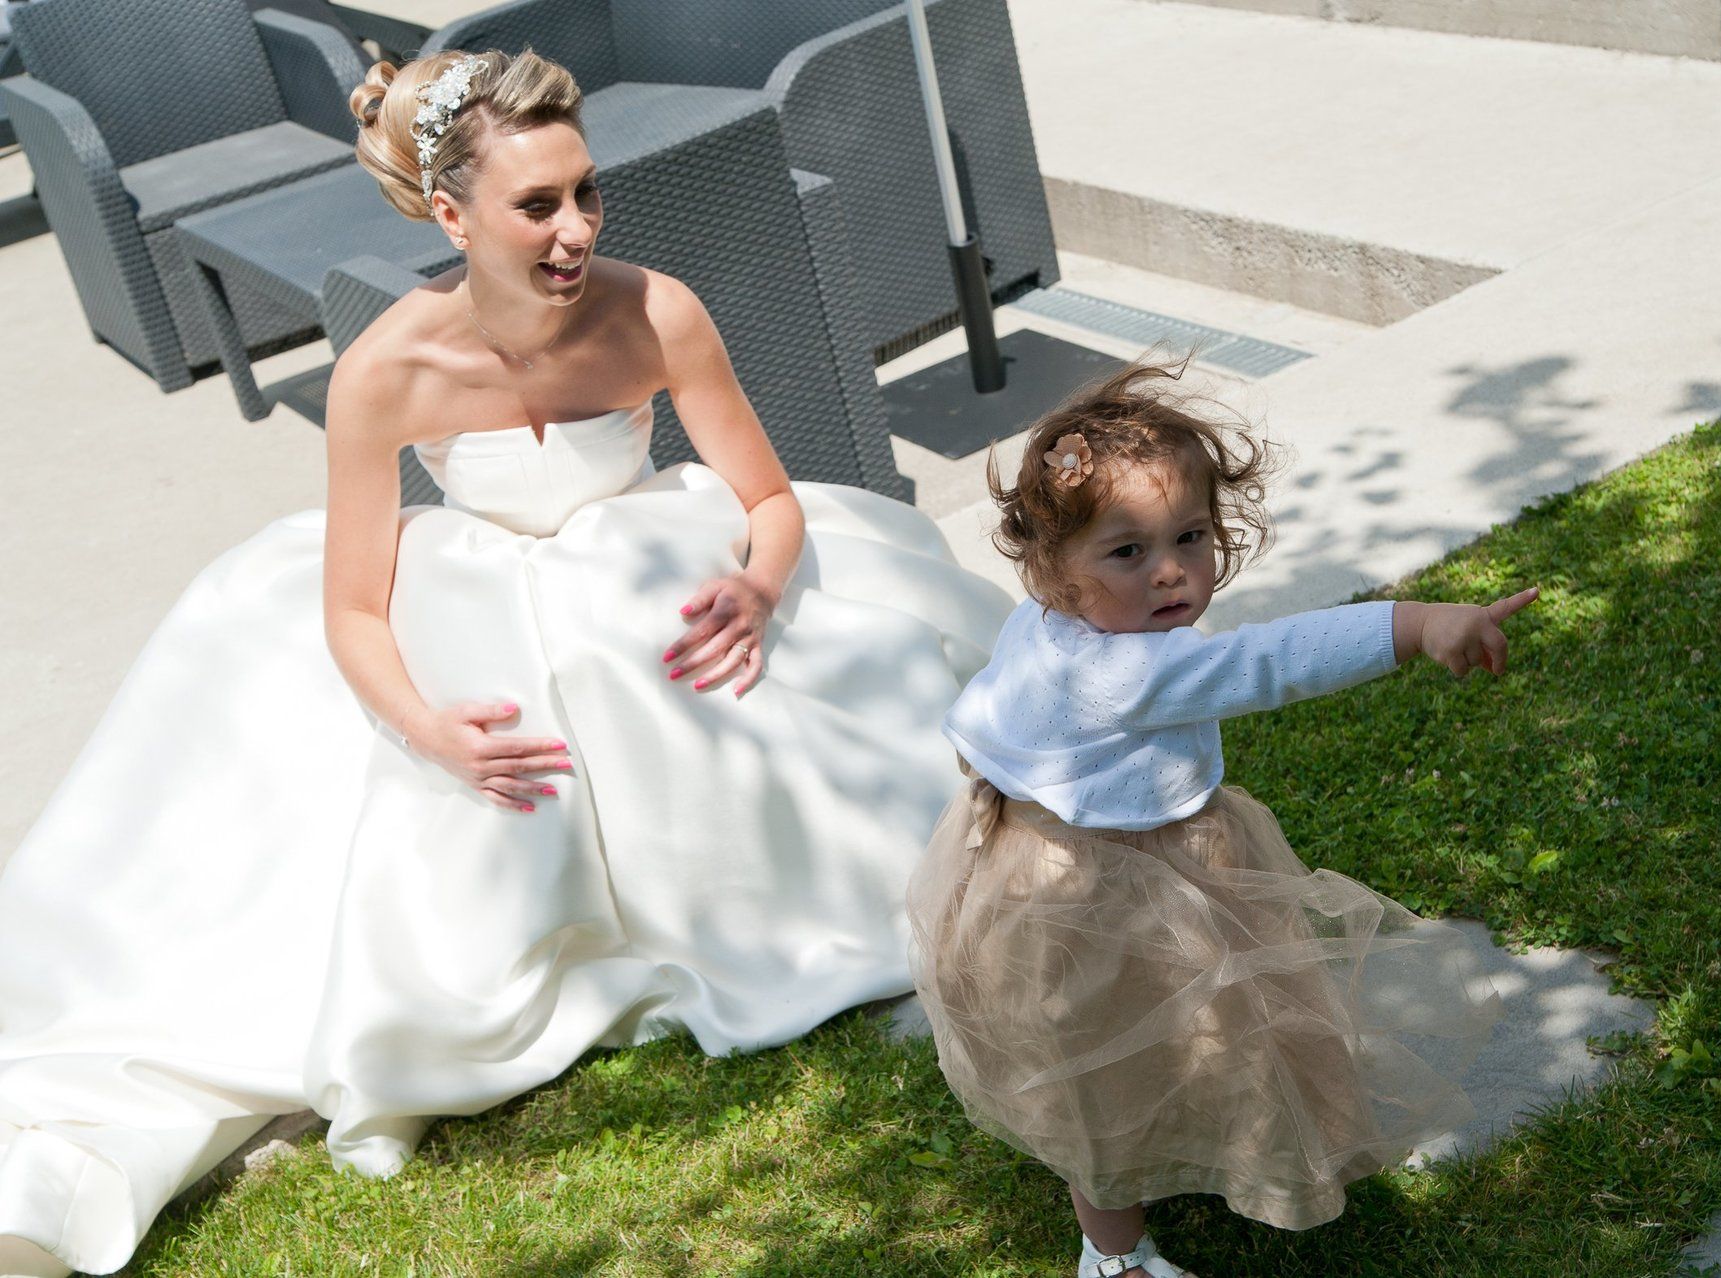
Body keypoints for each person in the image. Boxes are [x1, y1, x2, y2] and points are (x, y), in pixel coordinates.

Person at [0, 49, 1011, 1277]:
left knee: (871, 761)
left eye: (586, 193)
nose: (576, 228)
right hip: (475, 601)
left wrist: (753, 583)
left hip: (651, 574)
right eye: (538, 205)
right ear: (450, 214)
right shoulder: (385, 374)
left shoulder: (659, 311)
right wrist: (431, 732)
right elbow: (356, 612)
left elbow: (770, 498)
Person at [906, 361, 1522, 1278]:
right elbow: (1271, 660)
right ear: (1054, 565)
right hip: (1102, 892)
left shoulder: (1051, 620)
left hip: (1047, 862)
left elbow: (994, 721)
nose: (1171, 573)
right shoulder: (1126, 670)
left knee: (1163, 1039)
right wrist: (1416, 622)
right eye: (1128, 552)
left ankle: (1187, 1142)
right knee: (1107, 1080)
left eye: (1190, 537)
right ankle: (1109, 1257)